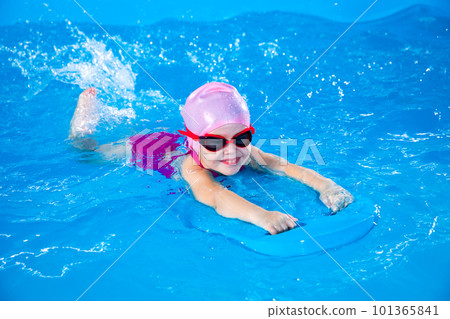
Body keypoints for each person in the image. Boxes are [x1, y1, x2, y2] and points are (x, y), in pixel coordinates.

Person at [68, 82, 354, 235]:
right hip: (148, 147)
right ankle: (84, 116)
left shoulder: (247, 153)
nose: (231, 151)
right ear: (196, 144)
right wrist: (263, 216)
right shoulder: (191, 166)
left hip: (182, 138)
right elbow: (214, 195)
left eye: (241, 137)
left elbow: (287, 167)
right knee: (85, 152)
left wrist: (326, 186)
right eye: (214, 143)